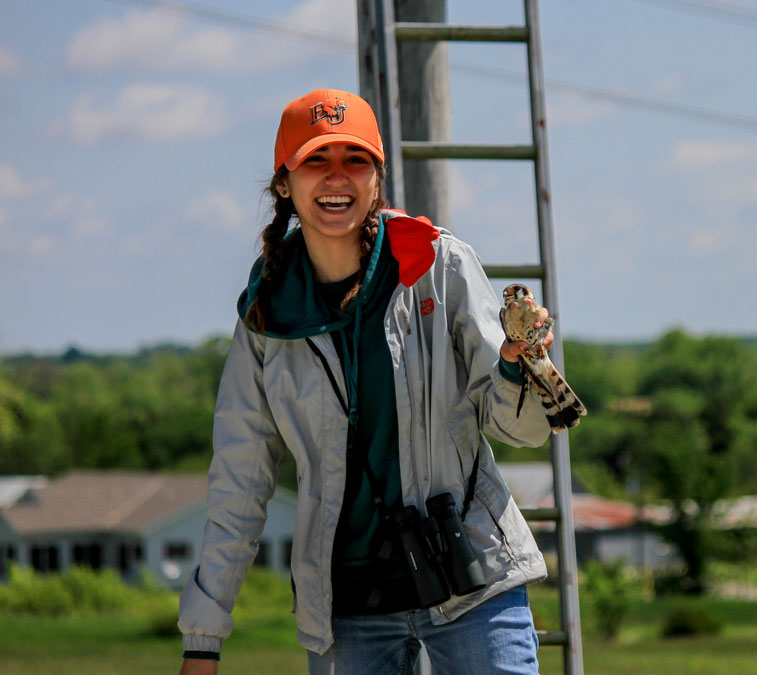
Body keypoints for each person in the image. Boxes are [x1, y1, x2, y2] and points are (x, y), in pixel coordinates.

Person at [178, 88, 554, 675]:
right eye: (316, 160)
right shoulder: (267, 312)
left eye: (356, 160)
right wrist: (203, 636)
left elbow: (525, 431)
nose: (337, 178)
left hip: (472, 577)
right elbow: (238, 478)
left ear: (378, 176)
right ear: (284, 183)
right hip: (345, 609)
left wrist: (515, 367)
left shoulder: (436, 263)